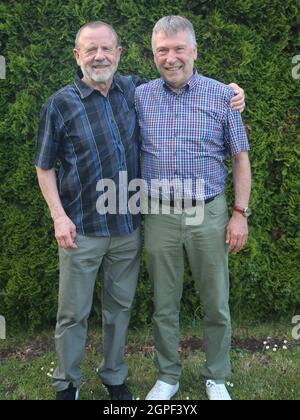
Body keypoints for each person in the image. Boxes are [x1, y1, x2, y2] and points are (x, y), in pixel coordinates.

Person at [35, 20, 245, 400]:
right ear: (77, 56)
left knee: (162, 307)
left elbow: (236, 152)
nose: (99, 56)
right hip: (115, 221)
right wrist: (58, 216)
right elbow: (44, 164)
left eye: (106, 49)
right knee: (106, 311)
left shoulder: (162, 92)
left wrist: (233, 92)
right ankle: (93, 382)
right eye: (90, 50)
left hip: (164, 219)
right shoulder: (96, 99)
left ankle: (182, 376)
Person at [135, 16, 251, 401]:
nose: (171, 58)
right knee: (163, 304)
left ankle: (216, 374)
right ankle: (168, 375)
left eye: (178, 48)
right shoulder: (139, 96)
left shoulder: (222, 96)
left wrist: (239, 213)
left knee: (215, 302)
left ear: (194, 51)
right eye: (162, 51)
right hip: (159, 213)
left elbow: (240, 159)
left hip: (209, 212)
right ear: (153, 55)